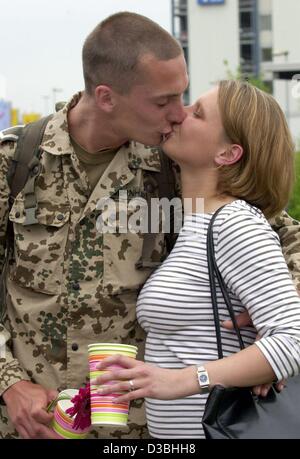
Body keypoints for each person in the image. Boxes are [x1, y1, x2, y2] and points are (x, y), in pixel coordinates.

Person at [0, 12, 298, 439]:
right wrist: (9, 382)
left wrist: (266, 331)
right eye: (163, 102)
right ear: (106, 97)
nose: (177, 114)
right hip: (32, 423)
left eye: (184, 98)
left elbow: (282, 237)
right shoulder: (16, 161)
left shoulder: (173, 166)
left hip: (144, 429)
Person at [93, 80, 300, 439]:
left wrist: (181, 381)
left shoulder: (234, 223)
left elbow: (293, 340)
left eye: (197, 113)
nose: (179, 114)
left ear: (227, 154)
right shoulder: (194, 223)